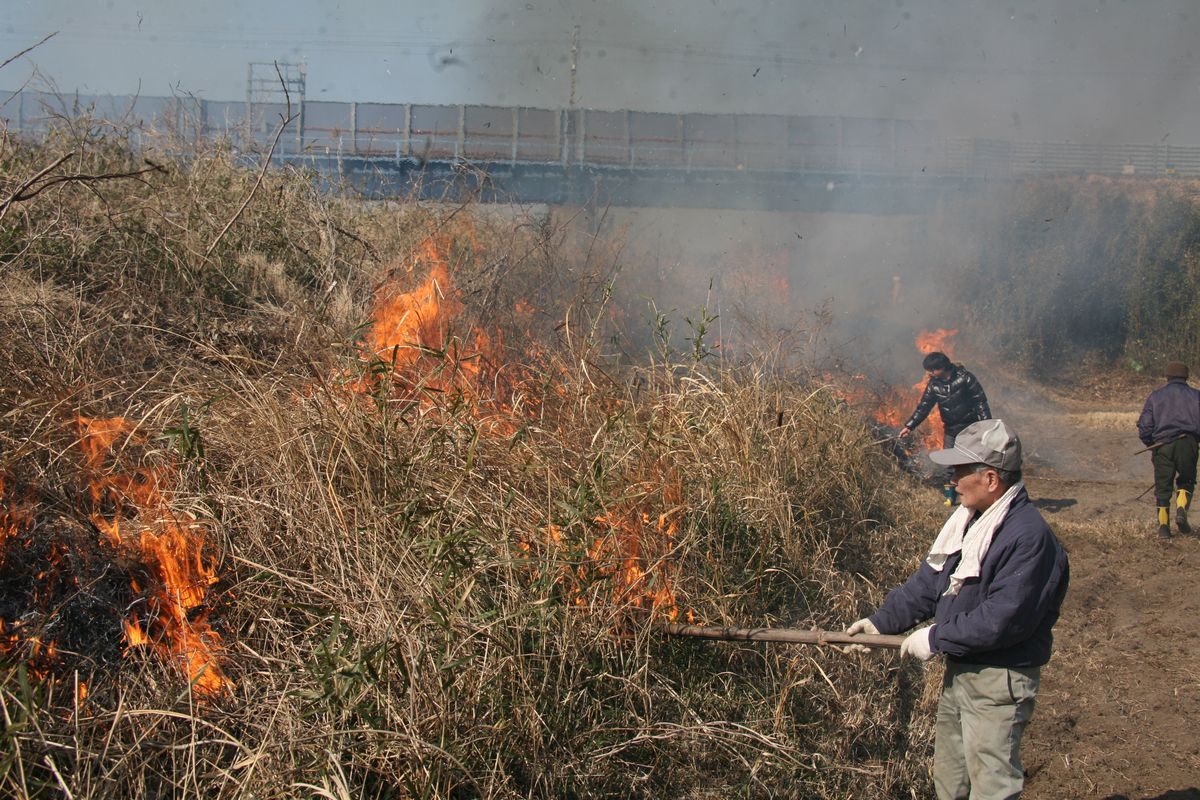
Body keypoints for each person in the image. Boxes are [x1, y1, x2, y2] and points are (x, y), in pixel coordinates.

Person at [846, 419, 1069, 800]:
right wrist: (880, 623)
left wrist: (934, 637)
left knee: (991, 787)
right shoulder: (970, 523)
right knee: (951, 782)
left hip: (998, 679)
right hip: (962, 670)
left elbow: (1002, 620)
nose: (951, 479)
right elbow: (928, 586)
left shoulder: (1028, 538)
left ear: (991, 479)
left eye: (960, 471)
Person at [899, 351, 991, 505]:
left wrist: (986, 425)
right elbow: (924, 407)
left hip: (971, 428)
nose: (929, 373)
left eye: (931, 370)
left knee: (972, 463)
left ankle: (980, 494)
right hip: (951, 430)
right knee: (949, 465)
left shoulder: (966, 378)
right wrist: (909, 426)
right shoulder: (934, 385)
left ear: (941, 367)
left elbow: (980, 402)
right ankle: (950, 496)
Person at [1136, 360, 1200, 538]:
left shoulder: (1156, 396)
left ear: (1168, 376)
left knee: (1163, 487)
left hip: (1162, 445)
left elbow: (1145, 426)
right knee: (1186, 481)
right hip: (1189, 443)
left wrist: (1151, 445)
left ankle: (1164, 528)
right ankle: (1181, 510)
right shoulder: (1197, 396)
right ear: (1186, 377)